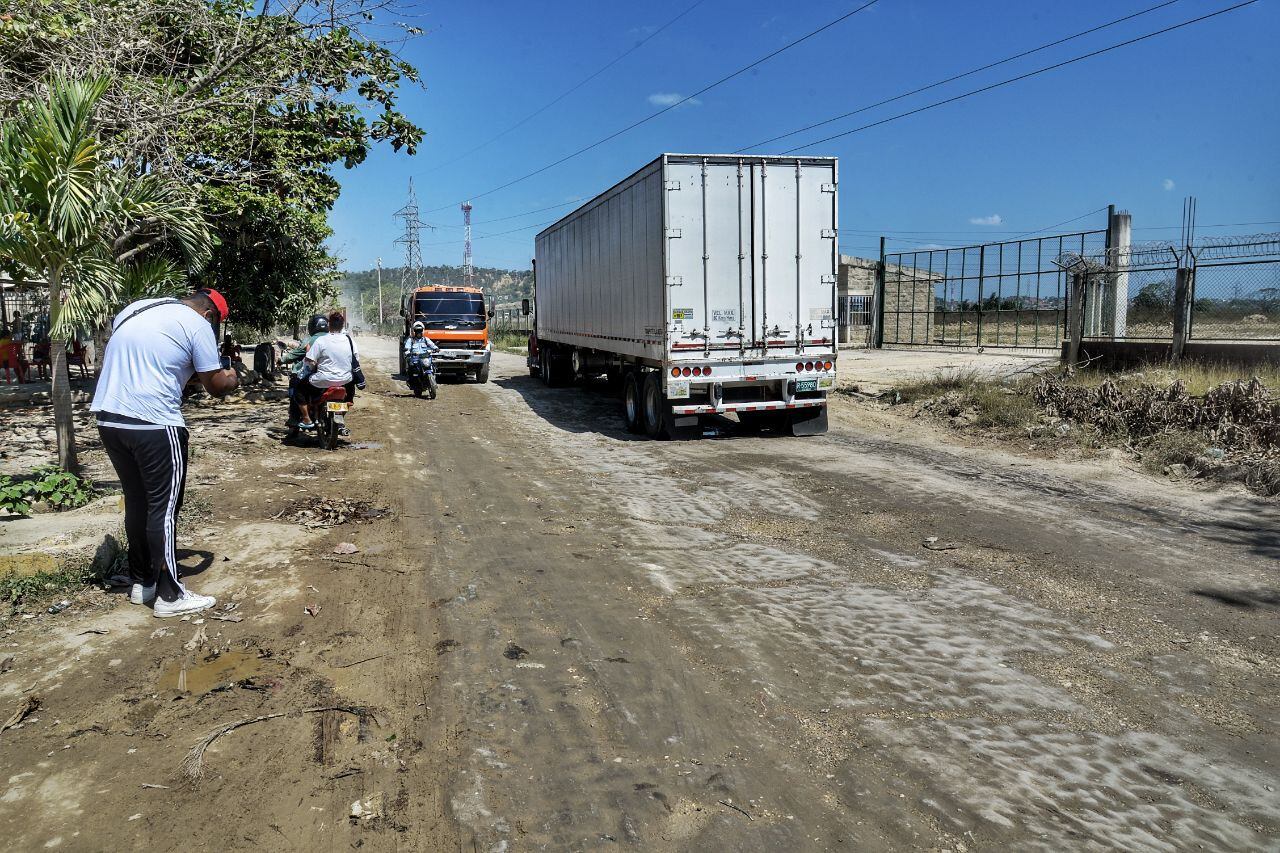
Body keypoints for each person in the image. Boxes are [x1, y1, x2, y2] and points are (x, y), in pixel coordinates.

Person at [90, 289, 239, 618]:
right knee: (164, 508)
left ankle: (143, 583)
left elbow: (153, 363)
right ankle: (171, 595)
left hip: (109, 419)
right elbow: (215, 386)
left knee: (138, 502)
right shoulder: (197, 325)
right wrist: (231, 377)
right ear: (210, 315)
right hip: (155, 424)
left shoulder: (135, 308)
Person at [296, 311, 359, 431]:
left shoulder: (321, 341)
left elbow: (309, 361)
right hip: (345, 380)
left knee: (299, 387)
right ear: (342, 325)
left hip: (323, 380)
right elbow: (356, 359)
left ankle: (306, 418)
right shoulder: (350, 340)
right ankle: (340, 417)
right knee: (350, 394)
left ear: (329, 325)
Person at [279, 314, 327, 429]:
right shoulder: (335, 338)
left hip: (315, 377)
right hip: (338, 377)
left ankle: (297, 417)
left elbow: (294, 354)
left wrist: (281, 360)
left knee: (296, 387)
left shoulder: (309, 340)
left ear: (312, 327)